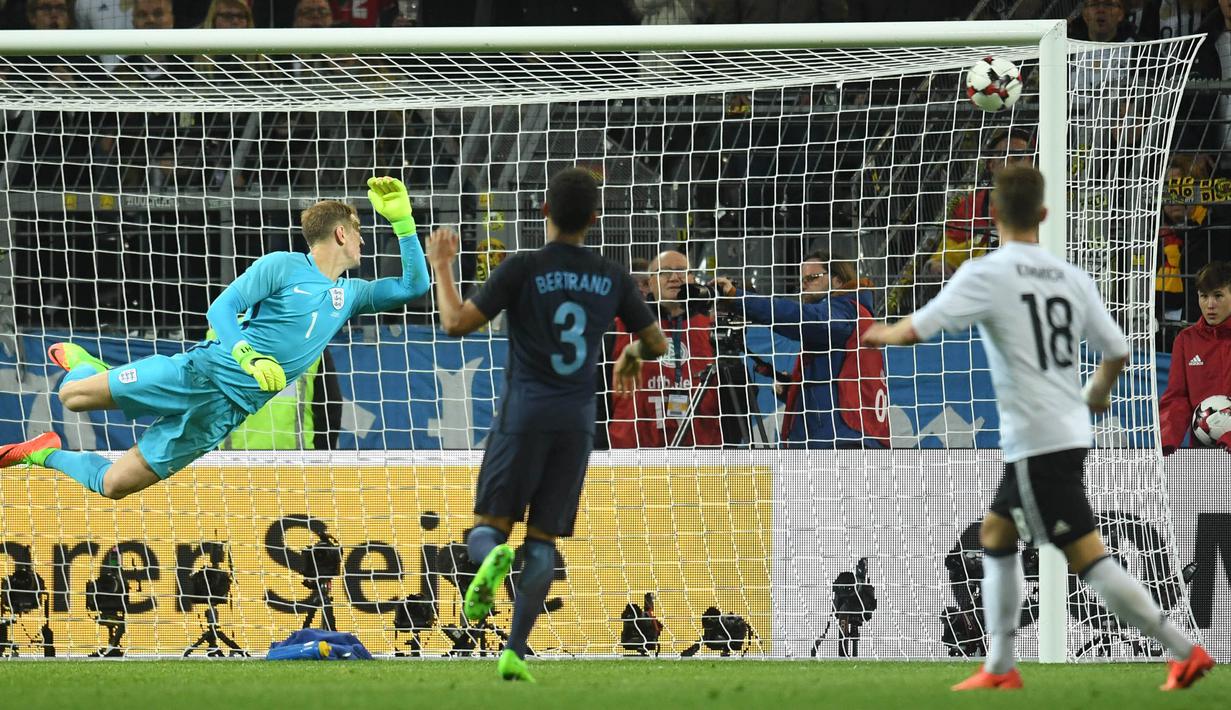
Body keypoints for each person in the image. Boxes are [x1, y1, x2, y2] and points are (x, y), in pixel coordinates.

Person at [863, 165, 1213, 691]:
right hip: (1066, 430)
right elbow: (1118, 349)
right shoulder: (1068, 275)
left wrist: (878, 333)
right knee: (997, 534)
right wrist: (1097, 393)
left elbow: (916, 330)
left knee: (1088, 559)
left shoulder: (986, 273)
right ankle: (1000, 665)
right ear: (1045, 214)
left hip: (1036, 437)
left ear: (993, 215)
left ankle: (1183, 651)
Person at [0, 177, 429, 500]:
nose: (363, 240)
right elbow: (221, 309)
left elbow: (414, 286)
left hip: (223, 414)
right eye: (359, 231)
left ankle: (44, 453)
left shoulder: (350, 295)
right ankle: (85, 364)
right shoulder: (282, 265)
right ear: (341, 234)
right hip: (200, 374)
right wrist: (247, 356)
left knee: (114, 485)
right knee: (72, 396)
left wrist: (404, 223)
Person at [425, 167, 666, 681]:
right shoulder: (611, 275)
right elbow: (657, 342)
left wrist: (441, 265)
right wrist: (629, 354)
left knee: (489, 528)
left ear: (544, 211)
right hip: (577, 422)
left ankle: (493, 556)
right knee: (542, 543)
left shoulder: (523, 267)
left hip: (524, 414)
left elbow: (456, 323)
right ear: (594, 218)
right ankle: (515, 650)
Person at [714, 251, 889, 448]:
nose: (804, 284)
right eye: (802, 280)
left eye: (812, 278)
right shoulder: (853, 314)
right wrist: (792, 389)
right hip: (844, 438)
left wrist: (738, 298)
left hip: (843, 443)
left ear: (838, 280)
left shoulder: (845, 312)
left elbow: (796, 315)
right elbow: (838, 383)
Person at [607, 250, 724, 447]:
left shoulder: (712, 328)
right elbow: (597, 389)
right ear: (649, 283)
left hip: (700, 451)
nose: (675, 277)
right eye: (665, 272)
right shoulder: (620, 327)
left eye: (682, 271)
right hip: (634, 452)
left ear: (693, 279)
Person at [1159, 261, 1231, 454]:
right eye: (1204, 296)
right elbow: (1177, 398)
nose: (1210, 305)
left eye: (1218, 296)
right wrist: (1166, 444)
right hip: (1202, 455)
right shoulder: (1186, 340)